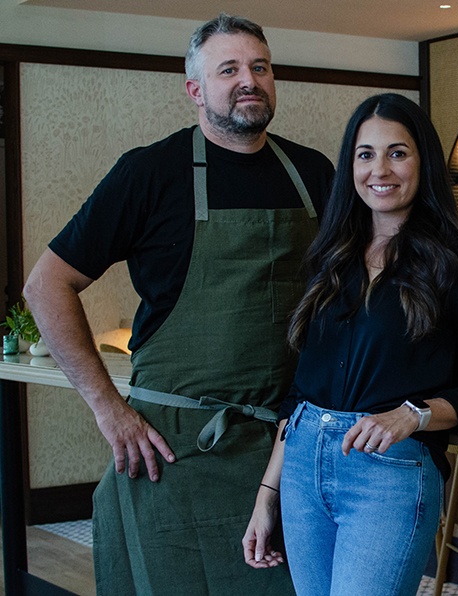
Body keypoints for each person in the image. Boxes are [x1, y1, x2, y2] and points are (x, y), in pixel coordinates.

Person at [22, 14, 333, 595]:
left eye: (260, 67)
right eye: (230, 69)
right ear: (195, 90)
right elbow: (46, 285)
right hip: (174, 451)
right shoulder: (150, 172)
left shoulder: (312, 172)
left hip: (285, 448)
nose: (250, 80)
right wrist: (108, 409)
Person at [241, 93, 458, 594]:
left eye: (397, 152)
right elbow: (300, 391)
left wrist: (413, 414)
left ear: (422, 161)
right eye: (365, 154)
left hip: (387, 473)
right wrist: (267, 495)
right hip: (302, 463)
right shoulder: (330, 256)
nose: (379, 169)